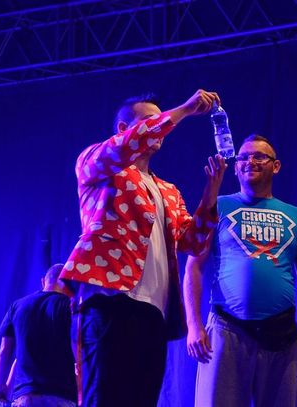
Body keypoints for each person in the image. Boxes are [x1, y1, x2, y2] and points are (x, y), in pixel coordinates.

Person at [59, 89, 226, 407]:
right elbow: (125, 146)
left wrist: (211, 192)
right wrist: (184, 110)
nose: (160, 125)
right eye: (150, 120)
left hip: (154, 310)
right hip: (110, 299)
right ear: (124, 128)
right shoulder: (98, 163)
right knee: (104, 397)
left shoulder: (168, 190)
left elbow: (193, 242)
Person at [184, 134, 297, 407]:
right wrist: (194, 325)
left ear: (276, 166)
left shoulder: (296, 215)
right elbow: (194, 266)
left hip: (281, 334)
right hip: (228, 329)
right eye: (243, 157)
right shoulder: (218, 205)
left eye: (259, 156)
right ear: (236, 167)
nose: (250, 161)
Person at [0, 263, 77, 407]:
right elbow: (78, 346)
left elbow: (4, 351)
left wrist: (0, 385)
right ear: (68, 282)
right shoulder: (70, 306)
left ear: (43, 281)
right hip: (62, 396)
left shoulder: (17, 306)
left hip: (25, 397)